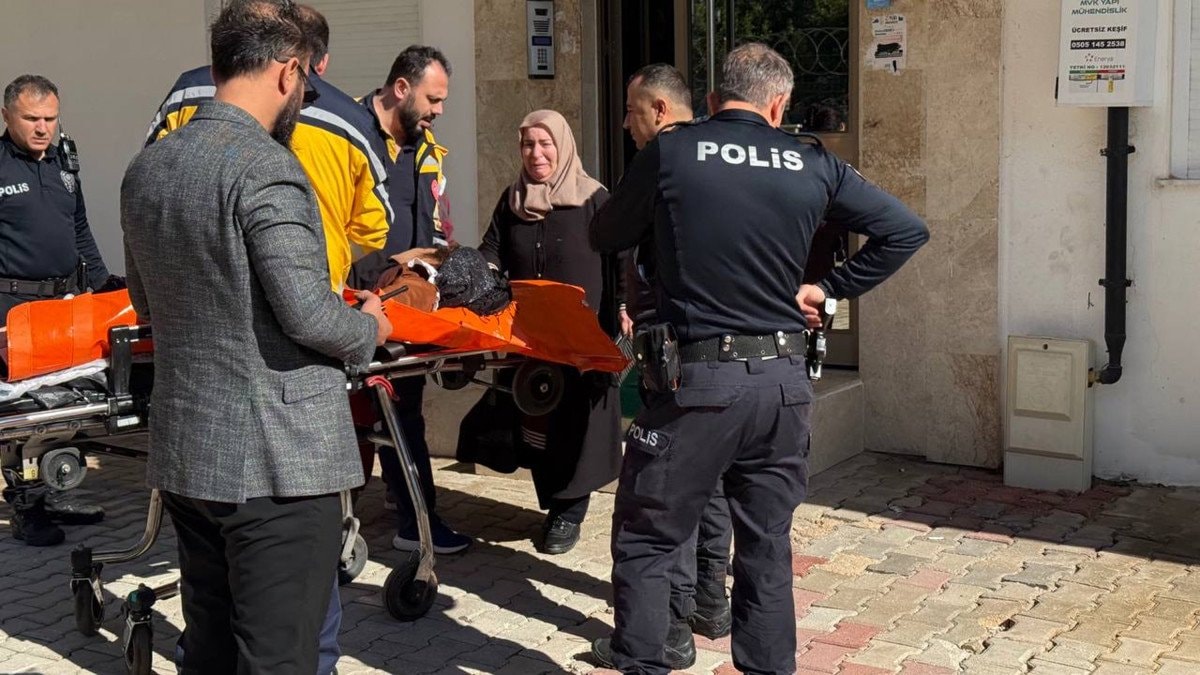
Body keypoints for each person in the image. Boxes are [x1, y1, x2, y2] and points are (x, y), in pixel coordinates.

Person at [589, 43, 929, 674]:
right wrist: (827, 289)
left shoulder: (673, 151)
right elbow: (906, 230)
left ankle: (644, 662)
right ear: (779, 105)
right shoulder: (812, 161)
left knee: (649, 538)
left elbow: (605, 233)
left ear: (714, 98)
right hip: (781, 386)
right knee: (766, 548)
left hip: (697, 385)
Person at [120, 1, 391, 672]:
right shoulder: (267, 167)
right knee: (278, 657)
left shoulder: (148, 168)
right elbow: (309, 315)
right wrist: (370, 326)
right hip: (278, 465)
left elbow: (145, 302)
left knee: (209, 650)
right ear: (287, 71)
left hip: (190, 455)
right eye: (304, 83)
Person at [457, 110, 621, 555]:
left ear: (563, 145)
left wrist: (624, 309)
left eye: (545, 143)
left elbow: (619, 258)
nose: (536, 153)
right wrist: (475, 272)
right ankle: (554, 502)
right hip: (530, 336)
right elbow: (491, 249)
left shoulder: (594, 199)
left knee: (580, 424)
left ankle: (570, 510)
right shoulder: (513, 200)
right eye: (528, 144)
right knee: (539, 422)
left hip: (582, 335)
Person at [620, 63, 733, 664]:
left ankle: (673, 626)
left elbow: (618, 237)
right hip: (729, 356)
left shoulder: (665, 162)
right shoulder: (723, 163)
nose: (626, 124)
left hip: (681, 353)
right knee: (711, 483)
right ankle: (711, 601)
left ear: (660, 110)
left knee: (671, 491)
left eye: (633, 110)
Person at [349, 46, 473, 556]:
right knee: (366, 414)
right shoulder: (349, 135)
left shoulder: (425, 147)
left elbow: (435, 219)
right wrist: (370, 275)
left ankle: (408, 512)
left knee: (403, 410)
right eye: (433, 99)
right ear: (401, 88)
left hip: (410, 301)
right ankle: (406, 519)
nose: (439, 111)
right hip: (355, 301)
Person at [0, 74, 121, 546]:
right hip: (14, 308)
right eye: (31, 118)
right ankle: (26, 507)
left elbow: (80, 228)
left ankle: (58, 491)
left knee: (68, 405)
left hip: (65, 304)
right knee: (23, 412)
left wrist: (102, 283)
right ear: (7, 116)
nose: (42, 128)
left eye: (50, 118)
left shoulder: (63, 163)